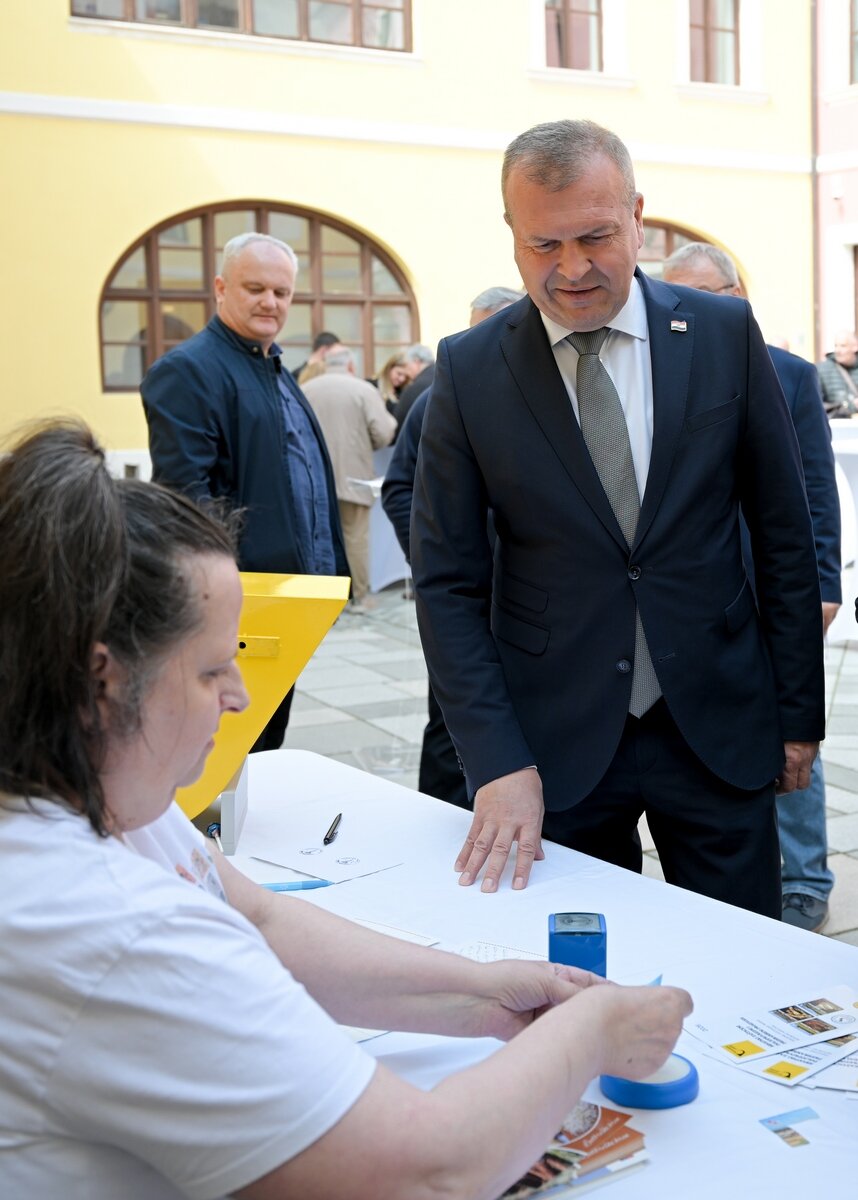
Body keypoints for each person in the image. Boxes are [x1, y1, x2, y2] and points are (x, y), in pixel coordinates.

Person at [0, 418, 691, 1199]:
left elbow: (257, 918)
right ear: (104, 681)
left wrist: (484, 993)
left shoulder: (91, 786)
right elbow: (430, 1170)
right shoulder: (109, 926)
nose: (239, 696)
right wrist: (589, 1032)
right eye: (212, 670)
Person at [411, 119, 825, 915]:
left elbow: (784, 532)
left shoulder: (722, 333)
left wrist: (798, 716)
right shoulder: (469, 369)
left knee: (742, 956)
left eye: (595, 237)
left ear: (637, 217)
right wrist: (495, 759)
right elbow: (446, 582)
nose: (571, 269)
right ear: (512, 235)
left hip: (718, 727)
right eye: (544, 245)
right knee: (573, 972)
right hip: (552, 746)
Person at [662, 242, 840, 933]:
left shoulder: (790, 374)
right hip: (706, 599)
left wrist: (824, 583)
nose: (682, 309)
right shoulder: (663, 370)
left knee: (793, 732)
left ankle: (804, 875)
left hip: (776, 591)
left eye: (700, 295)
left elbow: (814, 491)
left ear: (735, 298)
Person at [141, 232, 349, 753]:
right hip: (243, 607)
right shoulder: (188, 371)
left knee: (266, 741)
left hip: (288, 600)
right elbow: (186, 501)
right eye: (255, 288)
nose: (270, 302)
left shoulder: (271, 365)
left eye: (281, 292)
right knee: (232, 747)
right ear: (220, 287)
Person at [382, 287, 524, 809]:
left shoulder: (552, 394)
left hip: (535, 599)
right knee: (453, 721)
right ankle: (442, 821)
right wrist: (431, 559)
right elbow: (400, 488)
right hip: (466, 597)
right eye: (477, 330)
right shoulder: (440, 396)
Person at [303, 345, 397, 608]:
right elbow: (384, 432)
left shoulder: (306, 389)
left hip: (312, 479)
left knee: (317, 539)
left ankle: (322, 599)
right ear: (351, 365)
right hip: (353, 478)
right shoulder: (363, 390)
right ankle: (359, 596)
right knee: (355, 539)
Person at [816, 330, 858, 418]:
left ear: (855, 347)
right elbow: (817, 404)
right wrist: (849, 406)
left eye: (843, 346)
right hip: (836, 424)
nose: (838, 350)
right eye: (836, 346)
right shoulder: (821, 370)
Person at [395, 343, 435, 426]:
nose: (407, 372)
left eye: (408, 366)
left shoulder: (417, 387)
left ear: (416, 362)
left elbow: (399, 420)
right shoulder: (442, 375)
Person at [369, 350, 410, 423]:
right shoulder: (371, 386)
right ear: (389, 368)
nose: (402, 379)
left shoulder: (404, 390)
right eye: (399, 374)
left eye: (406, 376)